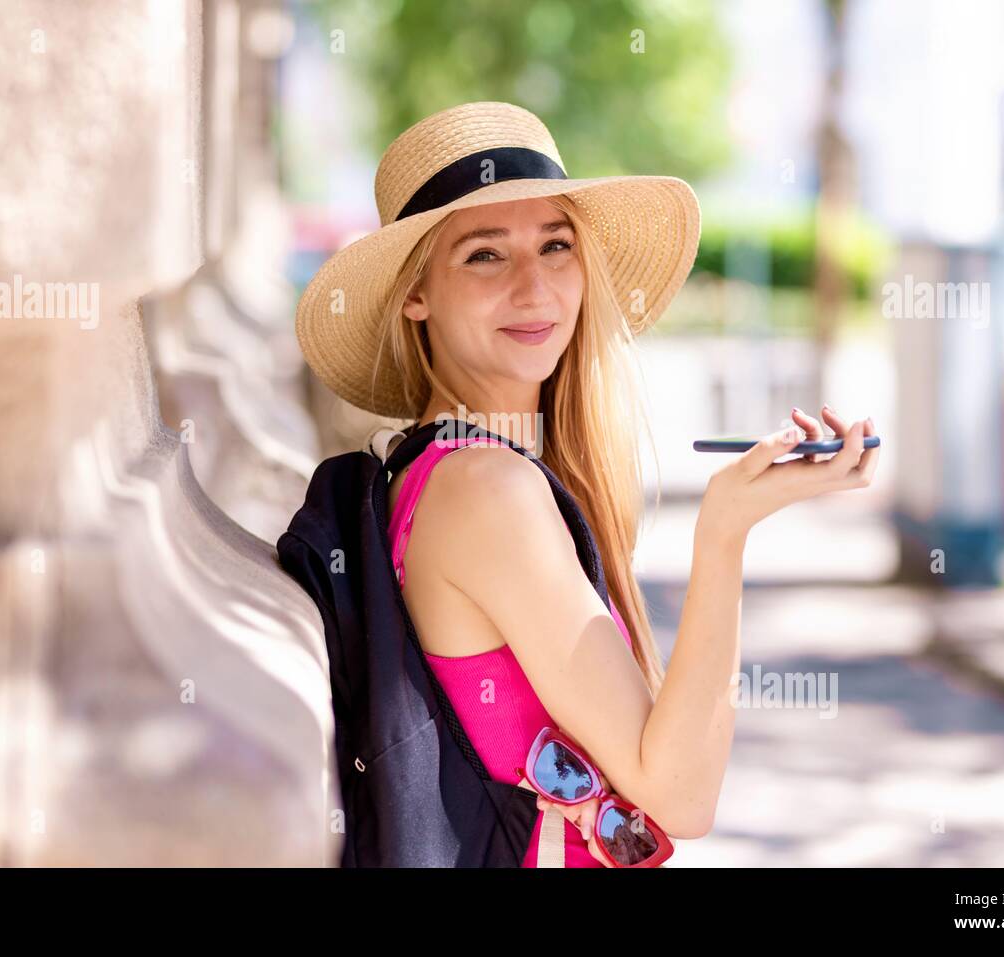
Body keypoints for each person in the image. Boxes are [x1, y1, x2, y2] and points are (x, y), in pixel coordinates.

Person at [294, 101, 878, 866]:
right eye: (484, 254)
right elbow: (679, 795)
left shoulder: (440, 467)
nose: (535, 287)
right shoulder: (486, 490)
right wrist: (726, 528)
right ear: (416, 294)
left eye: (556, 244)